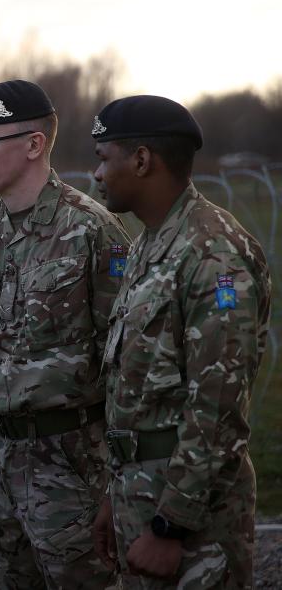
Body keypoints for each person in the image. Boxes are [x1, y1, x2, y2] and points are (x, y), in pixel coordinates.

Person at [89, 96, 272, 588]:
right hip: (141, 495)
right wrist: (116, 491)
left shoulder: (213, 255)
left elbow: (218, 406)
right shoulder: (150, 244)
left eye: (104, 158)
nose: (97, 174)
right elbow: (137, 392)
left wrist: (172, 526)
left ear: (142, 160)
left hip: (193, 521)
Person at [0, 80, 128, 588]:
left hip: (71, 463)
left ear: (33, 144)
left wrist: (116, 484)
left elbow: (124, 363)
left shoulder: (91, 231)